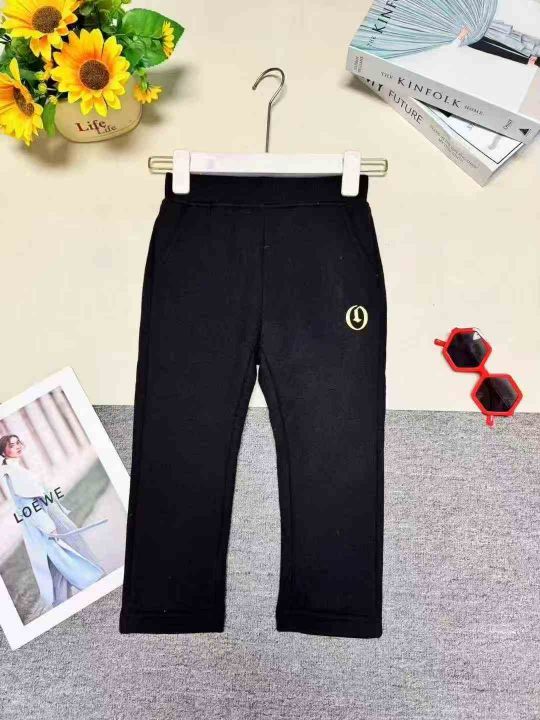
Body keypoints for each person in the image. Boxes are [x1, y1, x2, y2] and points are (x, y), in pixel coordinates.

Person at [0, 434, 105, 612]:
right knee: (66, 556)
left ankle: (65, 602)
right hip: (47, 522)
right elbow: (27, 505)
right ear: (3, 452)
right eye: (12, 445)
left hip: (49, 517)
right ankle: (92, 586)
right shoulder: (13, 473)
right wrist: (49, 527)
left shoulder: (16, 469)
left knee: (59, 562)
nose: (17, 446)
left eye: (18, 442)